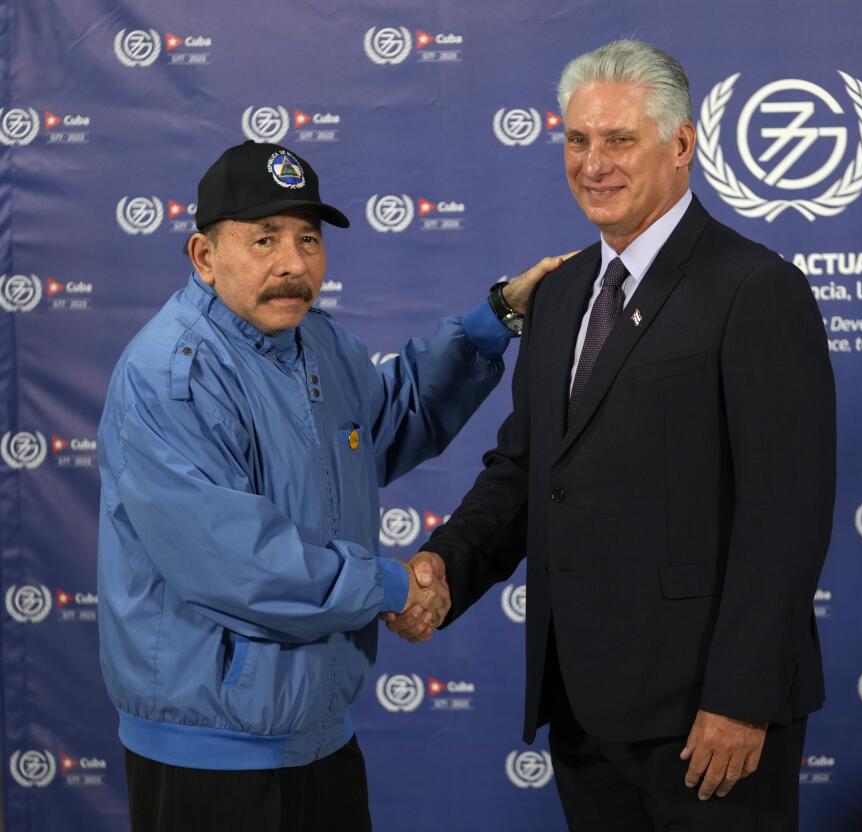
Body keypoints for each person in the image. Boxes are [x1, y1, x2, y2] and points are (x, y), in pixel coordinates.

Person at [389, 39, 836, 830]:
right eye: (577, 140)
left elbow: (786, 518)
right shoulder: (557, 296)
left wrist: (740, 699)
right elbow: (527, 470)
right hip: (583, 707)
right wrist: (447, 566)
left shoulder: (756, 289)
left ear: (682, 145)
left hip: (707, 717)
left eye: (619, 140)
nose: (594, 163)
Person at [96, 139, 564, 831]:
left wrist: (494, 320)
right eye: (264, 239)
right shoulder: (174, 375)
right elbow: (241, 565)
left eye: (307, 239)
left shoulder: (317, 342)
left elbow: (393, 420)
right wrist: (396, 586)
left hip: (319, 735)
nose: (292, 264)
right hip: (213, 760)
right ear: (204, 256)